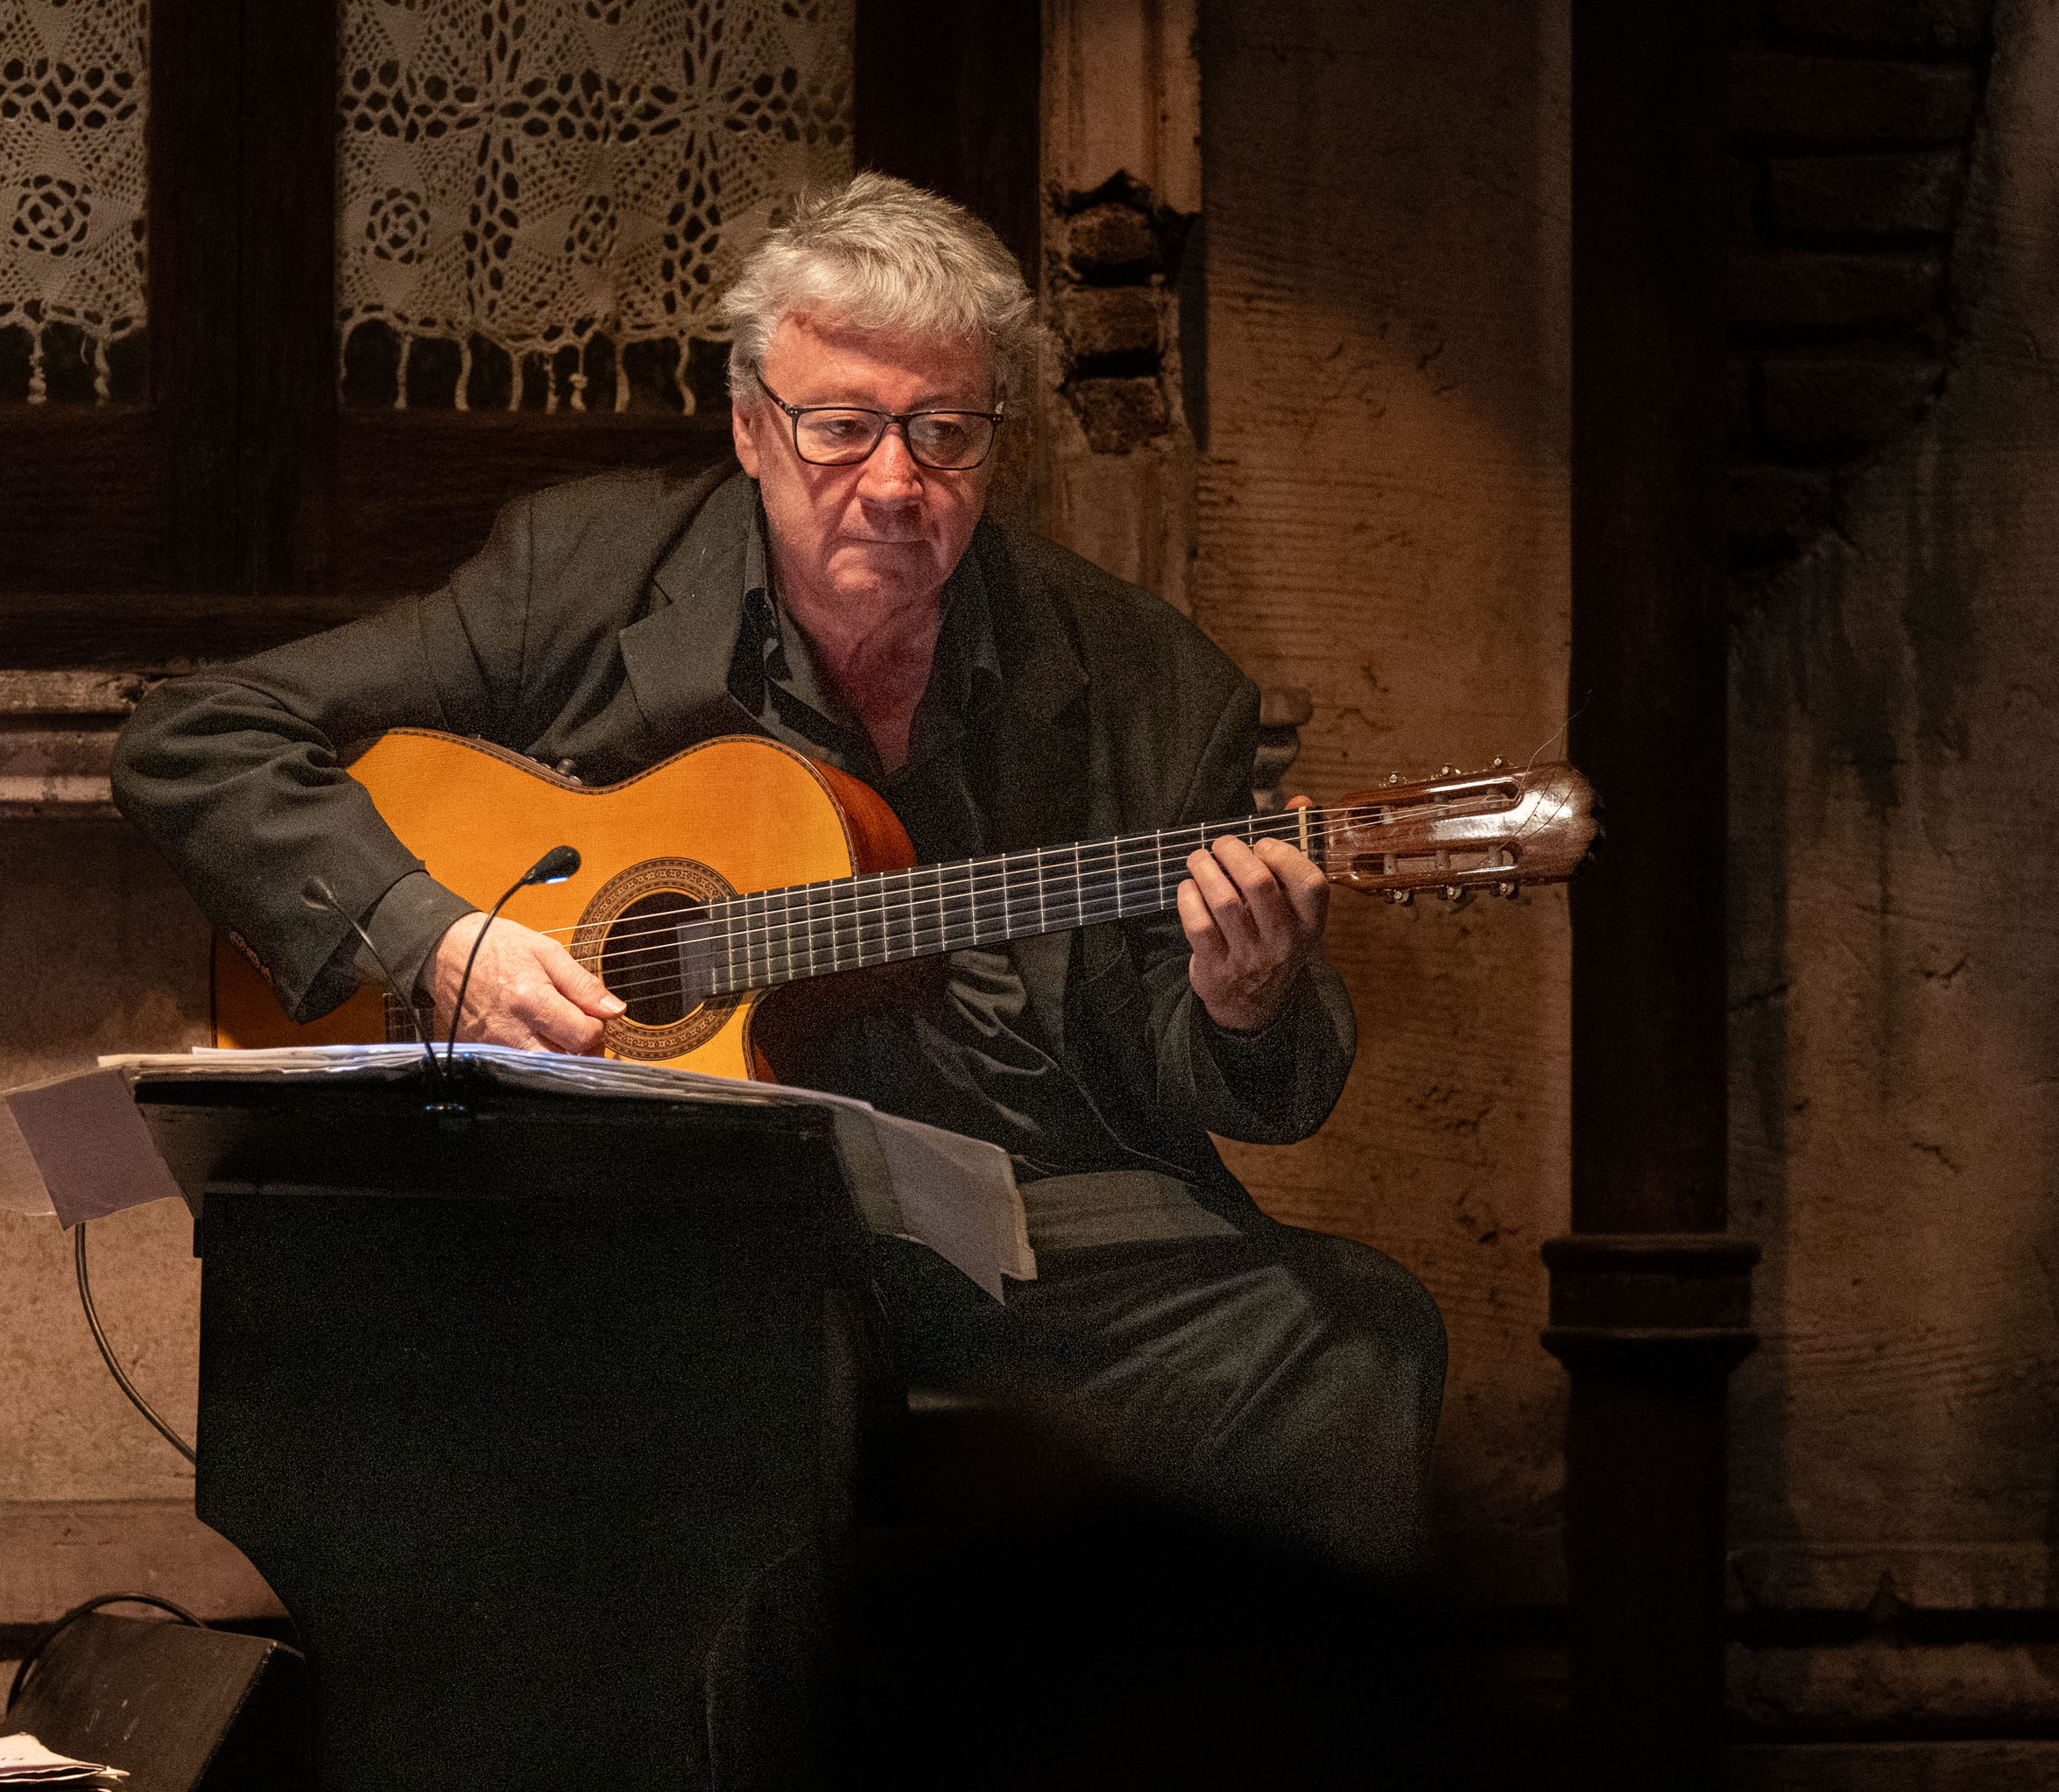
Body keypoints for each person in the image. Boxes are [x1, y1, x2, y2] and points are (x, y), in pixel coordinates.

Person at [112, 172, 1443, 1580]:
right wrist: (437, 939)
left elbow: (1221, 1068)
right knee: (731, 1357)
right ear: (752, 427)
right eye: (843, 428)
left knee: (1358, 1334)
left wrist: (1246, 1004)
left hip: (1028, 1223)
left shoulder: (1152, 682)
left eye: (945, 432)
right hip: (686, 1213)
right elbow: (195, 737)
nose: (897, 484)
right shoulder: (584, 575)